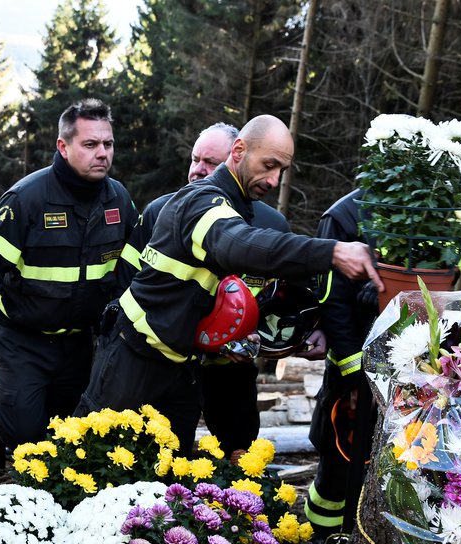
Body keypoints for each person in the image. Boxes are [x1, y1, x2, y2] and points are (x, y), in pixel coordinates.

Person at [74, 114, 382, 452]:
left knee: (168, 477)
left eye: (281, 170)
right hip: (134, 360)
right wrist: (333, 251)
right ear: (238, 150)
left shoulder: (240, 207)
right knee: (99, 461)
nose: (274, 179)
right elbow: (238, 245)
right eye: (268, 165)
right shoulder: (202, 201)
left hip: (182, 367)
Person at [118, 122, 325, 454]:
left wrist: (296, 334)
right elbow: (126, 284)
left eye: (210, 162)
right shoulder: (159, 211)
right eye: (195, 159)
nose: (199, 170)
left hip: (233, 369)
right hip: (167, 363)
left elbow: (288, 300)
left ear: (235, 157)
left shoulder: (272, 223)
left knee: (239, 449)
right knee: (161, 451)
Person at [0, 98, 137, 448]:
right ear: (63, 146)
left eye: (108, 144)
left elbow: (131, 275)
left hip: (81, 344)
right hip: (23, 341)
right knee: (23, 431)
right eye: (90, 144)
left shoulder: (118, 200)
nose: (102, 153)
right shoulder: (26, 199)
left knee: (73, 435)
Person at [305, 188, 379, 540]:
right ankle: (321, 536)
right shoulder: (345, 215)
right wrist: (354, 377)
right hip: (350, 368)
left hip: (415, 373)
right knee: (338, 458)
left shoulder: (440, 211)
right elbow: (332, 302)